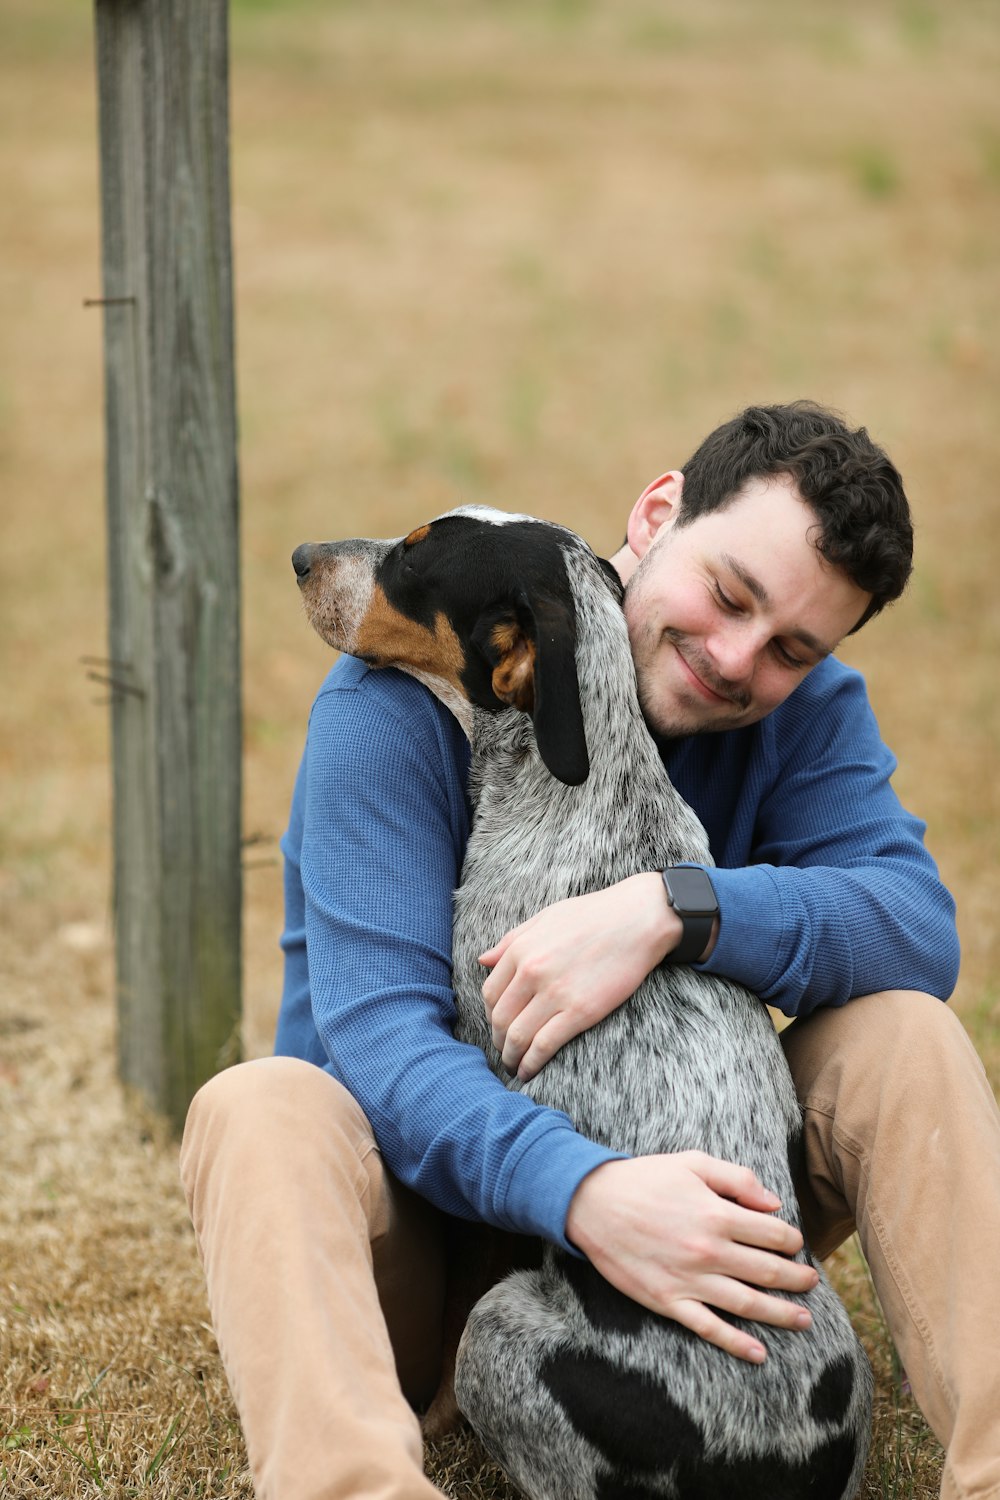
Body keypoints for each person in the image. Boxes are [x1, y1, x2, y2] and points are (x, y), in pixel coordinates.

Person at [180, 402, 1000, 1500]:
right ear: (658, 513)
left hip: (694, 1268)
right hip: (435, 1234)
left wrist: (674, 908)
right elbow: (375, 1037)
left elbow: (916, 929)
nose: (734, 659)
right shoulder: (411, 690)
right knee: (258, 1106)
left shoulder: (800, 712)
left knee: (903, 1033)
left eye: (791, 648)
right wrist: (587, 1196)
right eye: (727, 594)